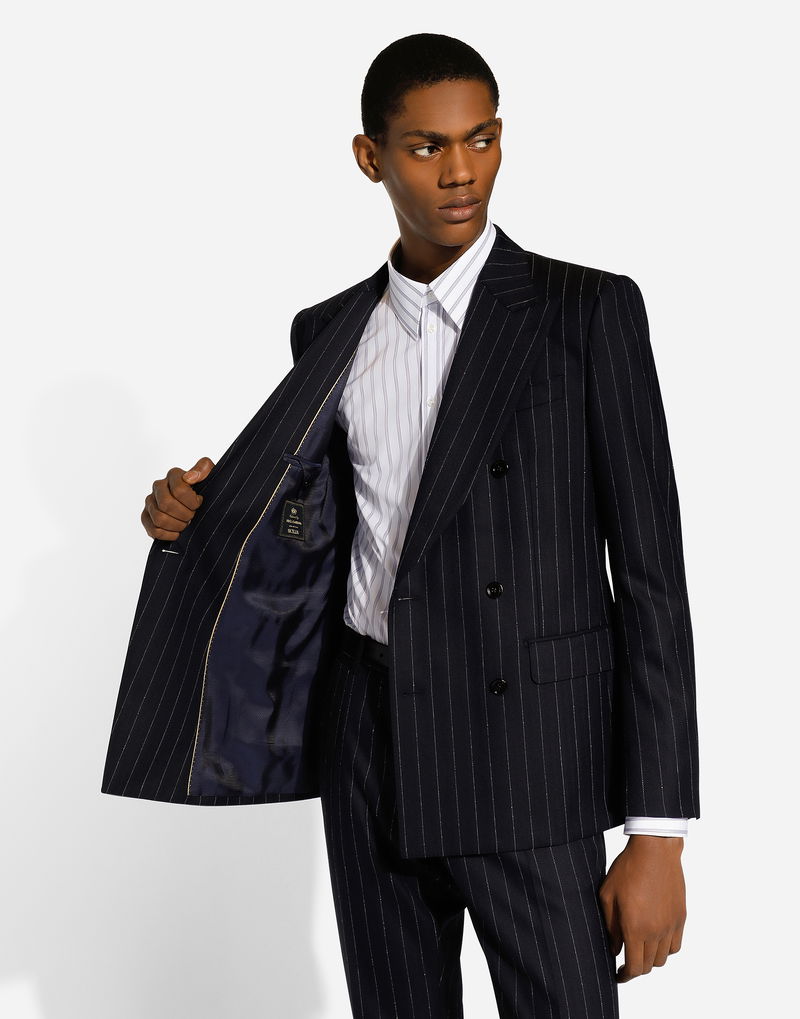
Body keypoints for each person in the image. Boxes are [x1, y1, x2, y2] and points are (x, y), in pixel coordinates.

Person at [112, 32, 700, 1019]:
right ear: (370, 156)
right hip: (371, 741)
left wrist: (658, 830)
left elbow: (651, 578)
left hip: (528, 756)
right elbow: (324, 534)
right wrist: (192, 519)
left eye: (480, 139)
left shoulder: (584, 311)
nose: (460, 170)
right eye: (427, 146)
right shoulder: (328, 329)